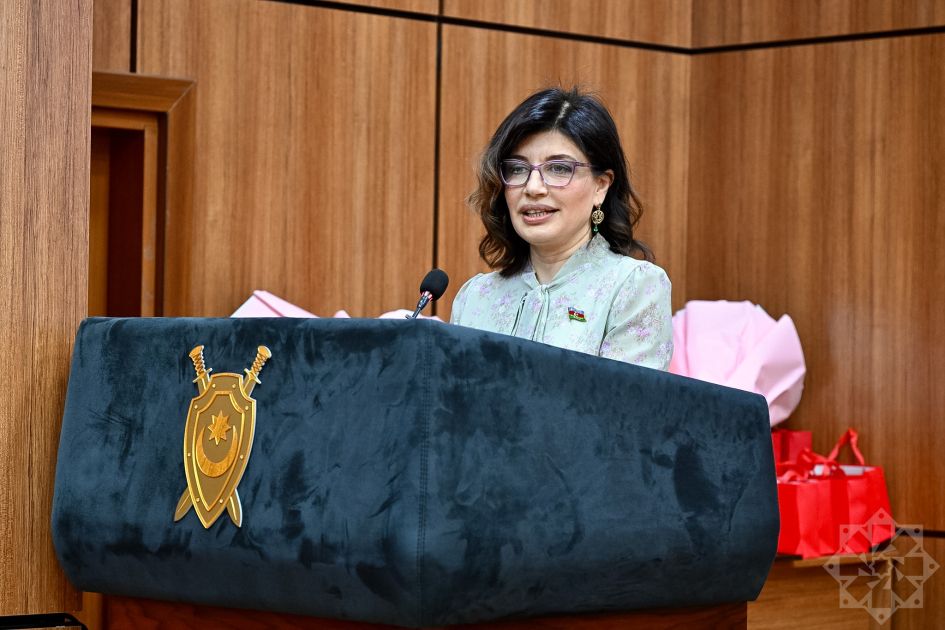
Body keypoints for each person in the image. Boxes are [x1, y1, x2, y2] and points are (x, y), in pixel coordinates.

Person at [450, 87, 673, 370]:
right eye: (518, 169)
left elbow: (625, 399)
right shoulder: (475, 296)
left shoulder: (633, 287)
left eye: (558, 168)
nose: (533, 188)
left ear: (601, 186)